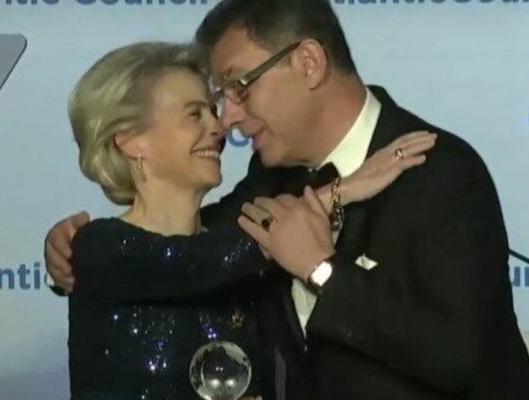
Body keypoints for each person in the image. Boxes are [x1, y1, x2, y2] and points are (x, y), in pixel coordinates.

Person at [45, 0, 529, 399]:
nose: (227, 119)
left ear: (309, 63)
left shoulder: (437, 173)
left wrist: (322, 270)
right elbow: (189, 244)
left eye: (239, 87)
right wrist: (74, 251)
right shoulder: (272, 178)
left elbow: (457, 358)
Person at [61, 40, 433, 400]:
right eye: (195, 114)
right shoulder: (98, 248)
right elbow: (198, 262)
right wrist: (343, 190)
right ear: (131, 141)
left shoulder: (238, 248)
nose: (218, 127)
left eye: (212, 111)